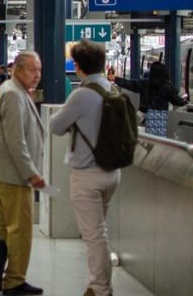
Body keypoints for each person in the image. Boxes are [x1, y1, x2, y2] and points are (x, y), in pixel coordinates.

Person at [0, 52, 46, 295]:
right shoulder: (13, 94)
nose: (37, 76)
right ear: (19, 70)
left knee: (4, 226)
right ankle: (14, 280)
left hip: (4, 172)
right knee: (20, 229)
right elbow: (16, 142)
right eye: (33, 70)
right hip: (13, 175)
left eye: (39, 71)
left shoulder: (11, 89)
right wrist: (31, 173)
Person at [49, 40, 120, 296]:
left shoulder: (81, 95)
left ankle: (101, 289)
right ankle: (97, 284)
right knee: (100, 229)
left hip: (87, 174)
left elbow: (55, 126)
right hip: (112, 171)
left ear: (78, 67)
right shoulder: (111, 88)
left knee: (94, 235)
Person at [107, 61, 187, 135]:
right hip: (159, 118)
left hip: (143, 117)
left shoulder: (145, 83)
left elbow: (130, 84)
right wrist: (185, 101)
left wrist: (115, 79)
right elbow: (177, 101)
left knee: (144, 139)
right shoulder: (167, 86)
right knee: (156, 142)